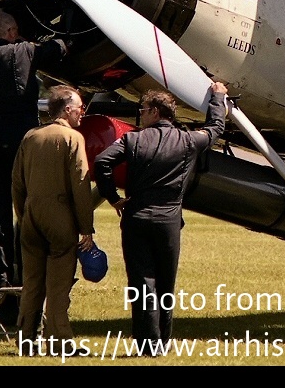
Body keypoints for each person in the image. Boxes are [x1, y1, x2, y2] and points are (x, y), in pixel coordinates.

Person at [93, 82, 228, 349]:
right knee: (166, 282)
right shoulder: (188, 141)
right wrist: (218, 98)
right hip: (168, 220)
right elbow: (216, 128)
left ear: (155, 112)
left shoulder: (132, 139)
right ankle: (163, 340)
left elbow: (101, 162)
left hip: (136, 217)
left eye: (143, 110)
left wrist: (114, 198)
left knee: (141, 282)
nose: (140, 114)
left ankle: (147, 342)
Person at [0, 8, 67, 287]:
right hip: (22, 144)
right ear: (11, 33)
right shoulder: (22, 51)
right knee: (32, 203)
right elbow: (57, 48)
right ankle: (33, 266)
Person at [12, 85, 95, 341]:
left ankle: (25, 338)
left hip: (30, 214)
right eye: (81, 108)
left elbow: (16, 182)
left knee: (32, 282)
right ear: (68, 109)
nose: (83, 113)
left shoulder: (30, 136)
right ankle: (59, 341)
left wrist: (24, 214)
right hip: (58, 215)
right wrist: (86, 227)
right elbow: (80, 184)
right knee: (59, 284)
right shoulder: (73, 138)